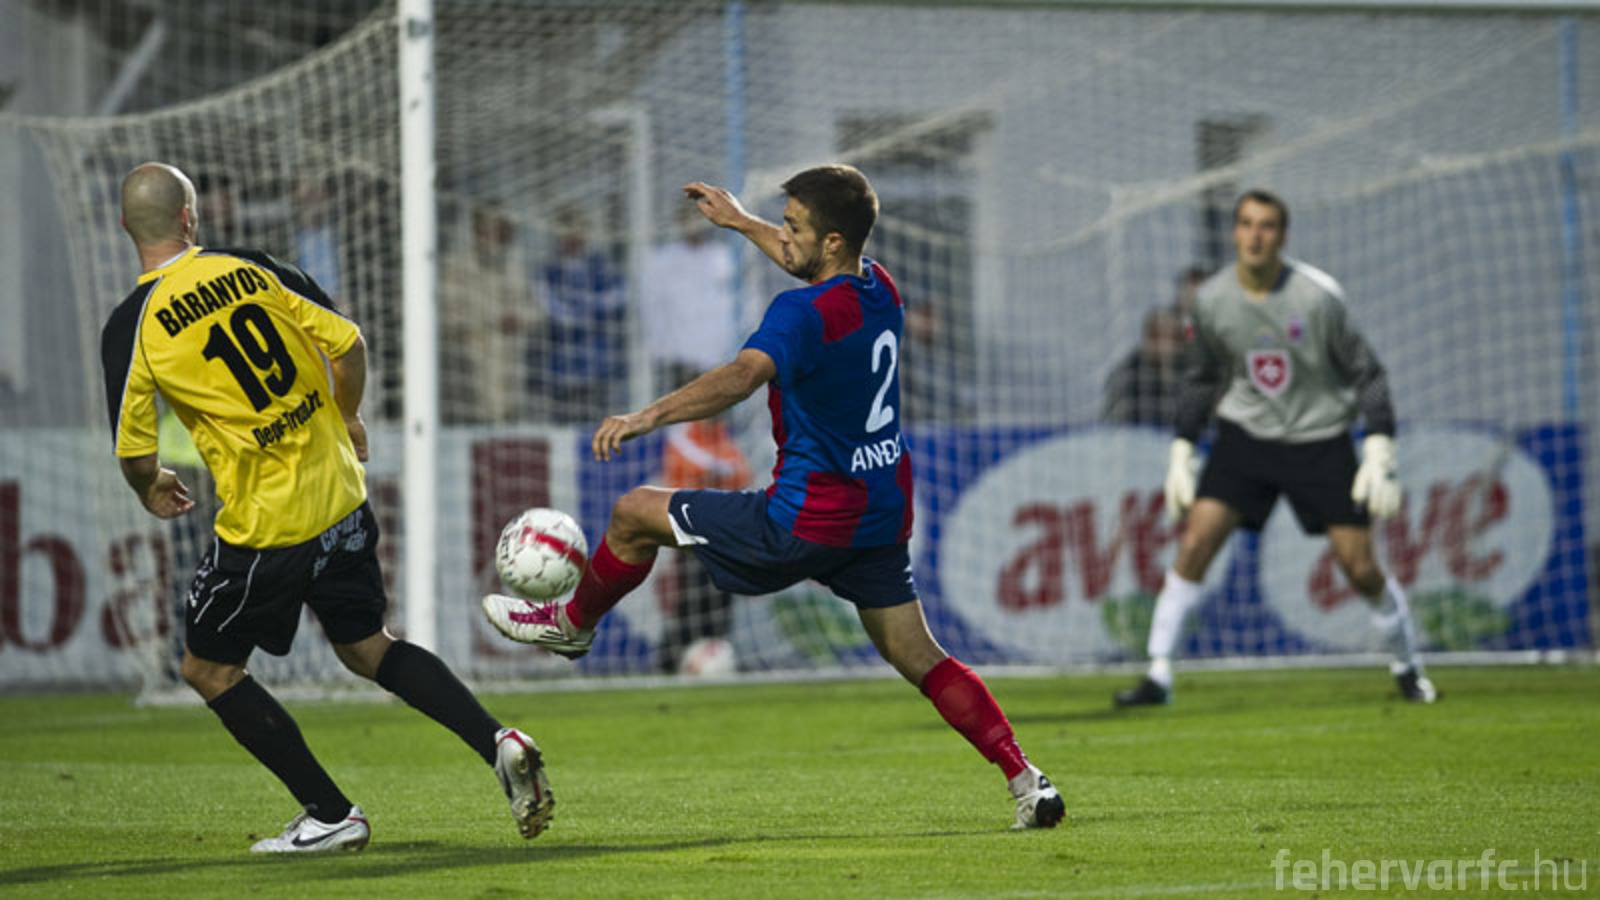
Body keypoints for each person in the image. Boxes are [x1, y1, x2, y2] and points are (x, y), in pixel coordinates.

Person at [484, 165, 1066, 830]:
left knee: (633, 513)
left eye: (793, 227)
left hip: (805, 519)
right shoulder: (881, 289)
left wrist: (647, 416)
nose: (782, 237)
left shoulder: (799, 313)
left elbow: (741, 377)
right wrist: (739, 222)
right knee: (919, 655)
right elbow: (806, 266)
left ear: (833, 241)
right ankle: (1028, 781)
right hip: (878, 512)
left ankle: (571, 625)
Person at [100, 162, 555, 854]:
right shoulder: (252, 266)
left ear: (125, 226)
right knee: (368, 645)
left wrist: (151, 484)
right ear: (190, 218)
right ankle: (497, 740)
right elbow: (348, 342)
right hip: (341, 494)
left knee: (207, 669)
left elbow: (134, 453)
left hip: (268, 523)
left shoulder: (133, 324)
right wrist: (347, 415)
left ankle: (330, 813)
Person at [1112, 189, 1437, 708]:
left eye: (1266, 226)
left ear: (1282, 236)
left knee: (1359, 567)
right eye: (1246, 224)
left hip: (1319, 438)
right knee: (1195, 543)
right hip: (1246, 437)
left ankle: (1408, 667)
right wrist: (1182, 450)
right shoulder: (1212, 299)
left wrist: (1380, 447)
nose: (1255, 235)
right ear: (1234, 233)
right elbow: (1200, 378)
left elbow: (1369, 374)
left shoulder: (1318, 297)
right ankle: (1157, 675)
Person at [640, 201, 749, 672]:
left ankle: (705, 651)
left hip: (720, 363)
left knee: (720, 578)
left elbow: (739, 473)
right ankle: (674, 655)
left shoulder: (725, 261)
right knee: (697, 581)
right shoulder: (685, 434)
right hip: (691, 526)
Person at [439, 202, 541, 423]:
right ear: (477, 230)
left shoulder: (515, 267)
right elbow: (449, 317)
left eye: (503, 230)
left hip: (511, 367)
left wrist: (518, 318)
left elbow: (536, 310)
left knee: (510, 420)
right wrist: (492, 320)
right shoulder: (457, 267)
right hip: (471, 369)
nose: (498, 236)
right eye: (493, 228)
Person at [533, 204, 626, 423]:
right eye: (566, 230)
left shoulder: (602, 265)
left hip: (600, 363)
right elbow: (551, 308)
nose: (573, 236)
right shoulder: (548, 270)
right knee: (564, 423)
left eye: (578, 229)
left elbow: (620, 296)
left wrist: (586, 305)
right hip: (562, 364)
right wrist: (583, 311)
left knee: (601, 422)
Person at [1101, 306, 1184, 426]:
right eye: (1156, 336)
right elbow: (1113, 425)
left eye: (1175, 338)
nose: (1165, 345)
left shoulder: (1193, 373)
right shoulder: (1127, 373)